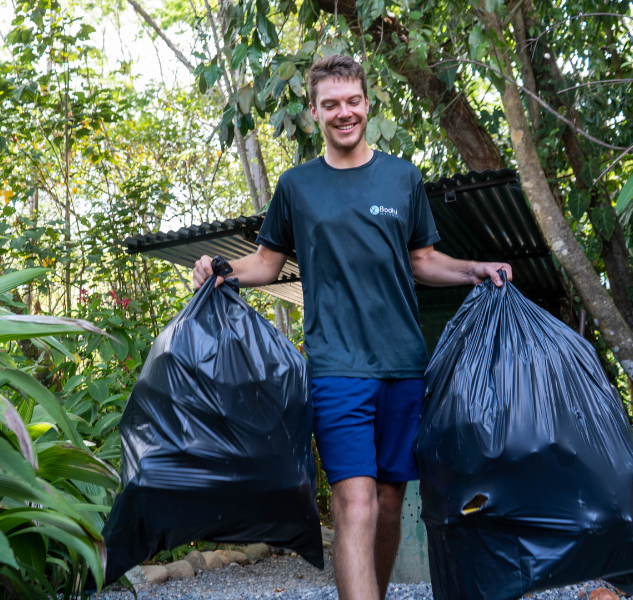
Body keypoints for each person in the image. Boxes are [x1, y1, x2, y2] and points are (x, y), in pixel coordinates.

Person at [192, 54, 512, 600]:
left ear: (367, 103)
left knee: (390, 502)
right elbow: (266, 264)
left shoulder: (402, 177)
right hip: (337, 367)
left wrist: (473, 270)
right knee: (355, 501)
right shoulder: (297, 186)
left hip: (404, 364)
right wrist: (217, 270)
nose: (345, 113)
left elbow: (421, 260)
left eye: (353, 101)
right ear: (313, 112)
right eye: (331, 104)